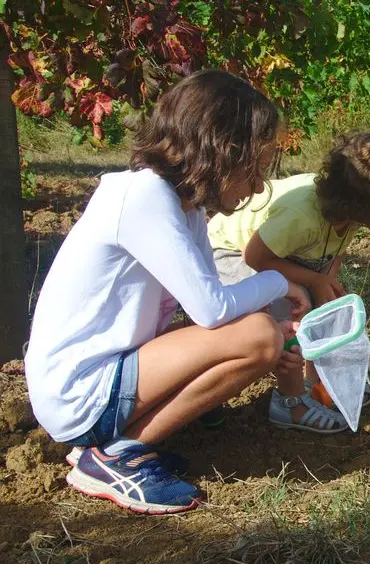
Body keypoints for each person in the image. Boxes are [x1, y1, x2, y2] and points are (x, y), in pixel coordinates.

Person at [24, 70, 311, 515]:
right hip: (79, 392)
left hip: (104, 376)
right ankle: (114, 457)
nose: (257, 186)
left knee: (258, 332)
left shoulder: (183, 206)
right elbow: (213, 310)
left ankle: (119, 446)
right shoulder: (144, 198)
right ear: (220, 151)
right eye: (253, 167)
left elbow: (207, 308)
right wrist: (281, 283)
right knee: (258, 336)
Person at [206, 126, 370, 433]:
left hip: (279, 256)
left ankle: (318, 383)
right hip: (229, 250)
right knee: (285, 316)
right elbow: (255, 257)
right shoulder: (302, 217)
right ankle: (291, 402)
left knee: (323, 308)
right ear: (358, 208)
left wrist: (324, 285)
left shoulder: (348, 214)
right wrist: (309, 282)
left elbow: (331, 256)